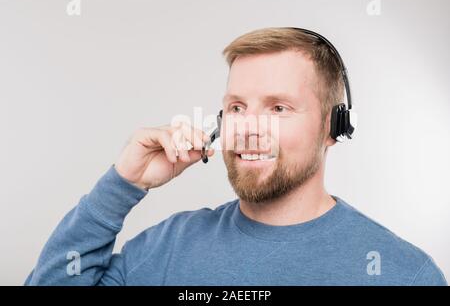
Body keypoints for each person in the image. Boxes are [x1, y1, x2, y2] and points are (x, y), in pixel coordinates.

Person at [25, 27, 447, 285]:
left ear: (333, 128)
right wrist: (122, 185)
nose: (248, 128)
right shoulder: (169, 246)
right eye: (237, 107)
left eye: (279, 108)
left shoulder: (402, 273)